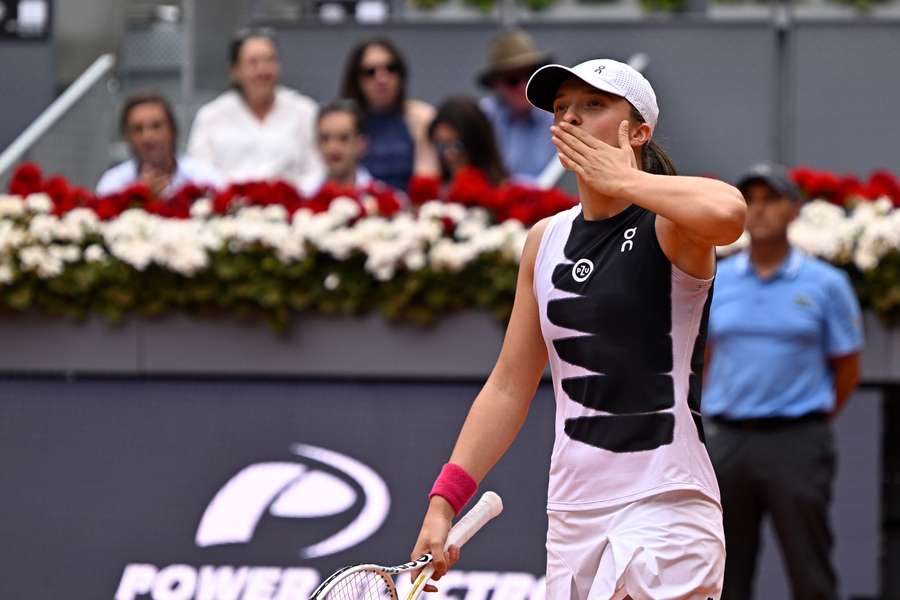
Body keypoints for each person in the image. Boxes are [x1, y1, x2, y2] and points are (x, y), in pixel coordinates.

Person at [410, 59, 746, 600]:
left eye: (593, 106)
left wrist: (627, 180)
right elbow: (508, 386)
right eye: (562, 108)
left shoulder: (670, 224)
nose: (571, 118)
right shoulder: (544, 240)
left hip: (665, 503)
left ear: (638, 131)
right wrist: (444, 501)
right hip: (573, 513)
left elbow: (730, 213)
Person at [703, 163, 863, 600]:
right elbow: (706, 356)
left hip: (797, 440)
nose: (758, 210)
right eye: (750, 200)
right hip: (727, 441)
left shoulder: (827, 284)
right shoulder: (717, 277)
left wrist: (813, 418)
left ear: (794, 209)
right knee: (720, 569)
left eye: (770, 199)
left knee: (809, 566)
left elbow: (847, 366)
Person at [186, 28, 323, 187]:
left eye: (269, 60)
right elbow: (199, 172)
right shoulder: (210, 116)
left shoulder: (305, 111)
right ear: (234, 70)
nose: (262, 70)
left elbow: (317, 170)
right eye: (253, 62)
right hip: (229, 207)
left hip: (292, 206)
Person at [339, 38, 437, 192]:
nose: (382, 79)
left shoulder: (420, 117)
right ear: (356, 80)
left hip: (409, 209)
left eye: (390, 68)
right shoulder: (345, 120)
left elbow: (427, 181)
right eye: (370, 72)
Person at [96, 93, 223, 197]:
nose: (147, 136)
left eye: (156, 126)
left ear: (173, 131)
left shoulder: (205, 177)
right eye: (138, 129)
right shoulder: (113, 184)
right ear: (127, 137)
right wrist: (140, 197)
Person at [476, 29, 556, 184]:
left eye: (531, 75)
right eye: (512, 80)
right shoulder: (481, 119)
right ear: (495, 84)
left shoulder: (560, 117)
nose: (524, 86)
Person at [300, 99, 378, 197]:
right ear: (317, 144)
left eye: (343, 138)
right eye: (325, 139)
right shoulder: (303, 195)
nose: (333, 148)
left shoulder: (383, 200)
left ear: (361, 144)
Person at [428, 97, 508, 187]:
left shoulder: (508, 195)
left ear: (477, 145)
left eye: (457, 145)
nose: (448, 155)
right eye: (440, 146)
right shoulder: (433, 193)